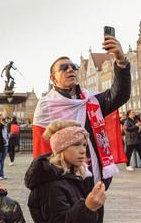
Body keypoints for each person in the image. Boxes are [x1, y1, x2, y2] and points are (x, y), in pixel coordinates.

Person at [33, 36, 130, 222]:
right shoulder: (46, 106)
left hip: (93, 177)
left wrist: (120, 60)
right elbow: (41, 148)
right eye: (63, 67)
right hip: (63, 181)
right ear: (52, 77)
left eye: (73, 66)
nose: (70, 69)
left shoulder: (90, 100)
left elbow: (120, 95)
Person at [25, 120, 106, 223]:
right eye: (76, 144)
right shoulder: (51, 184)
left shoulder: (72, 175)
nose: (83, 150)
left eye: (84, 145)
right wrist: (88, 207)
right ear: (61, 148)